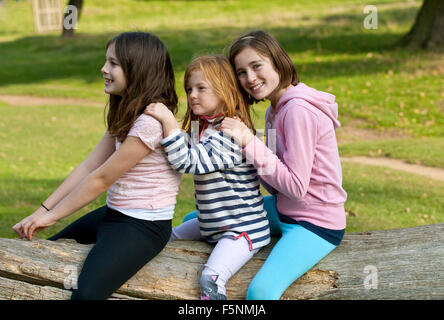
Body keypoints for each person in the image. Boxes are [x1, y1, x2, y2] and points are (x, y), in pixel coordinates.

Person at [12, 32, 181, 300]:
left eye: (113, 63)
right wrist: (43, 210)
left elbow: (102, 178)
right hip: (113, 215)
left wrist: (52, 216)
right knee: (43, 254)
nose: (104, 69)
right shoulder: (128, 109)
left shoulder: (151, 122)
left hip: (142, 227)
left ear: (137, 69)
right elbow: (89, 166)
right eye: (106, 61)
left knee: (85, 296)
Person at [217, 30, 347, 300]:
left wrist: (250, 143)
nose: (250, 78)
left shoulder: (298, 110)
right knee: (199, 222)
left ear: (277, 62)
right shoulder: (273, 109)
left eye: (256, 66)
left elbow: (296, 188)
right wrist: (244, 151)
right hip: (284, 209)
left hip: (315, 223)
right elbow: (276, 183)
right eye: (241, 72)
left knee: (260, 294)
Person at [145, 55, 270, 300]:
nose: (192, 95)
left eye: (201, 88)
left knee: (210, 279)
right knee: (164, 238)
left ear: (225, 91)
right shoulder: (205, 126)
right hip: (212, 223)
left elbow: (188, 161)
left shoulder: (231, 131)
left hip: (241, 229)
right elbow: (182, 147)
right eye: (189, 89)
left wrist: (169, 122)